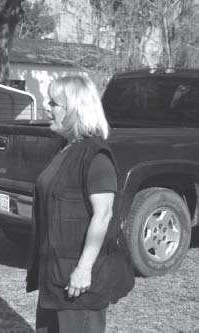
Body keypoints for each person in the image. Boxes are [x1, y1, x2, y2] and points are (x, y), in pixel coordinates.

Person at [26, 75, 134, 332]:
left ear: (74, 109)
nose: (46, 107)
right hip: (55, 276)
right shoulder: (65, 149)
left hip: (78, 281)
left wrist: (83, 269)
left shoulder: (95, 156)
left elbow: (103, 215)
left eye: (54, 102)